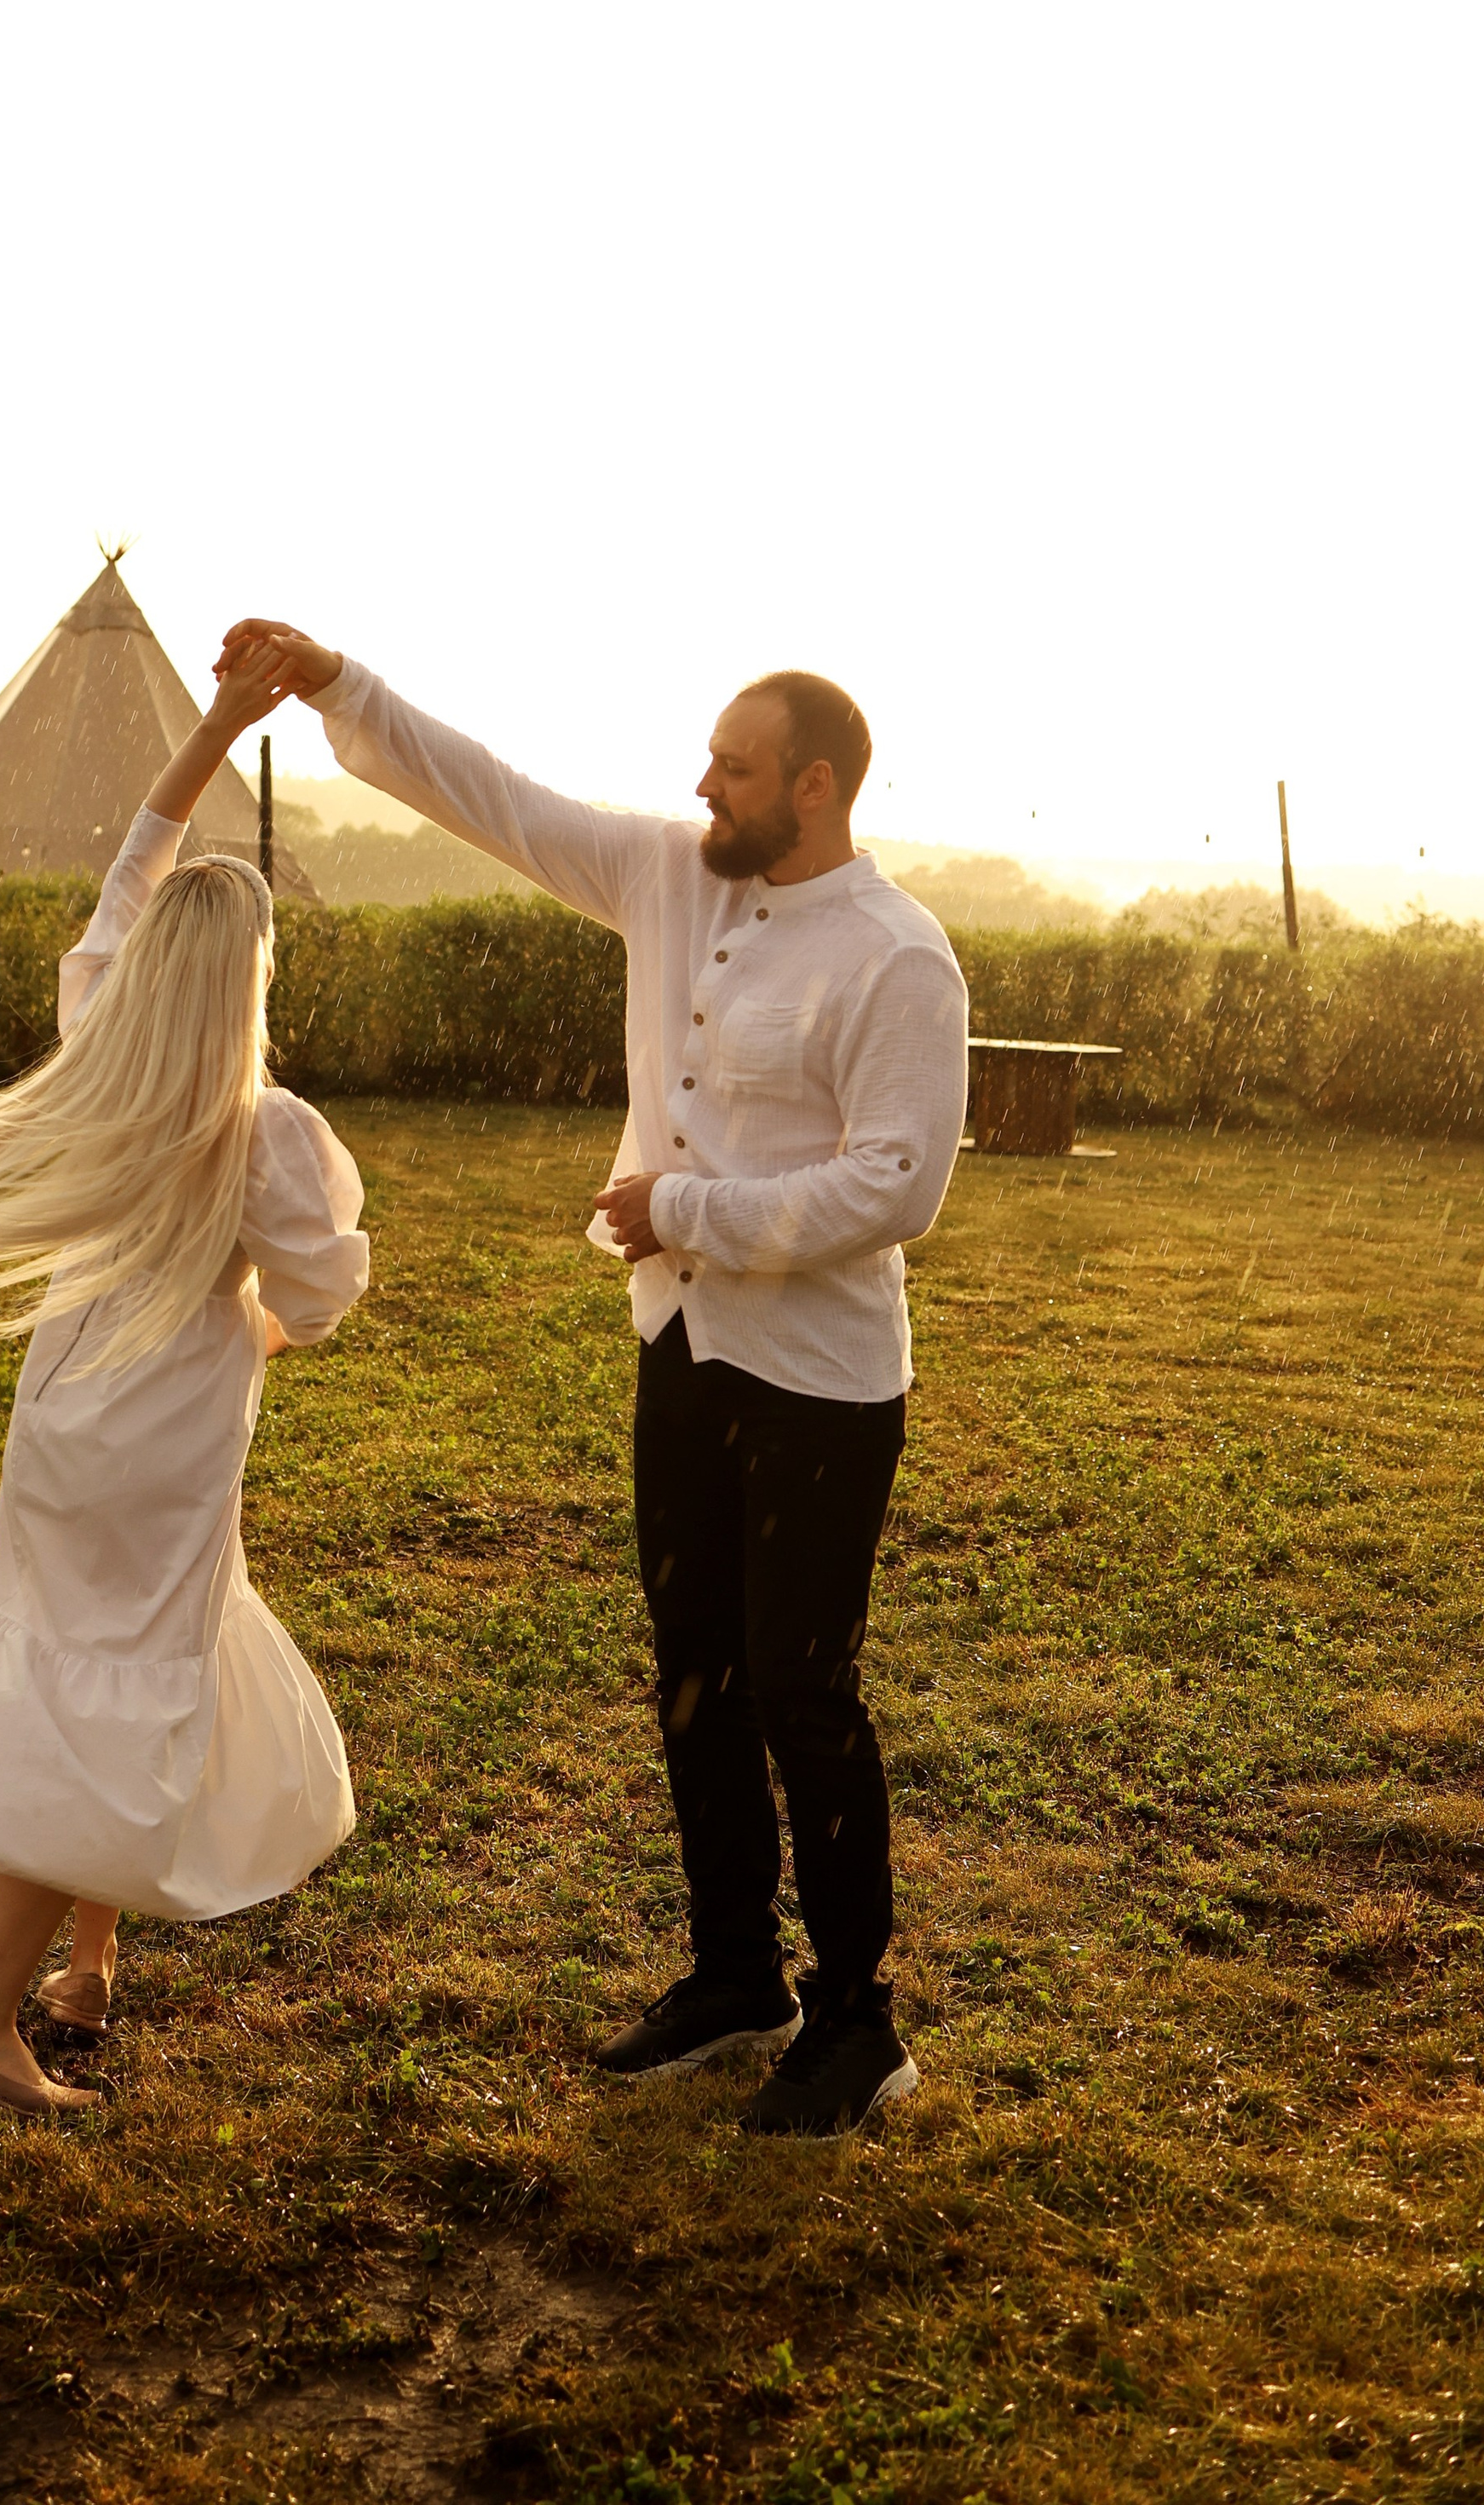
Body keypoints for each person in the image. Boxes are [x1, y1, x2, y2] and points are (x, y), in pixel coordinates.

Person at [219, 619, 968, 2137]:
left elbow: (898, 1186)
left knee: (802, 1692)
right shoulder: (668, 876)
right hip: (681, 1355)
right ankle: (733, 1976)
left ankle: (857, 2022)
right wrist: (338, 686)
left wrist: (685, 1211)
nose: (705, 782)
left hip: (822, 1379)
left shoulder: (899, 955)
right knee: (696, 1680)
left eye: (736, 766)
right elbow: (495, 798)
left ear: (814, 788)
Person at [0, 641, 367, 2116]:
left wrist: (216, 727)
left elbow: (131, 868)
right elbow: (322, 1292)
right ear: (251, 979)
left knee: (96, 1657)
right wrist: (259, 1332)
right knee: (128, 1684)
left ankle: (87, 1962)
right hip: (169, 1428)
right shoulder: (267, 1128)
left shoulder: (102, 1036)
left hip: (68, 1403)